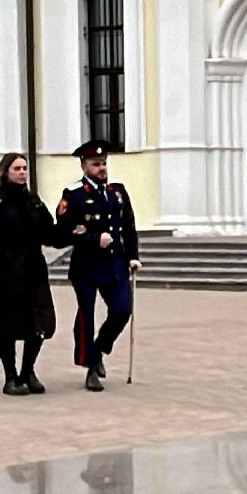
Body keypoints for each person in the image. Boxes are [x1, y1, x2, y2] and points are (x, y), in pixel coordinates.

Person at [0, 152, 61, 396]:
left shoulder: (33, 202)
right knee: (7, 325)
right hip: (5, 272)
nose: (22, 173)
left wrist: (70, 227)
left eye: (24, 168)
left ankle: (27, 371)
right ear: (6, 172)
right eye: (17, 168)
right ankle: (10, 376)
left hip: (33, 270)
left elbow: (49, 233)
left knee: (39, 322)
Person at [55, 140, 141, 392]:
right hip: (87, 266)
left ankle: (101, 347)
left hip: (116, 263)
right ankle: (90, 366)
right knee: (87, 316)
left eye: (104, 163)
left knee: (122, 310)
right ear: (84, 166)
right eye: (96, 164)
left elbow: (129, 228)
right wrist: (93, 239)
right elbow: (62, 232)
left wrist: (133, 255)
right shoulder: (73, 195)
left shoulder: (118, 191)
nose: (102, 168)